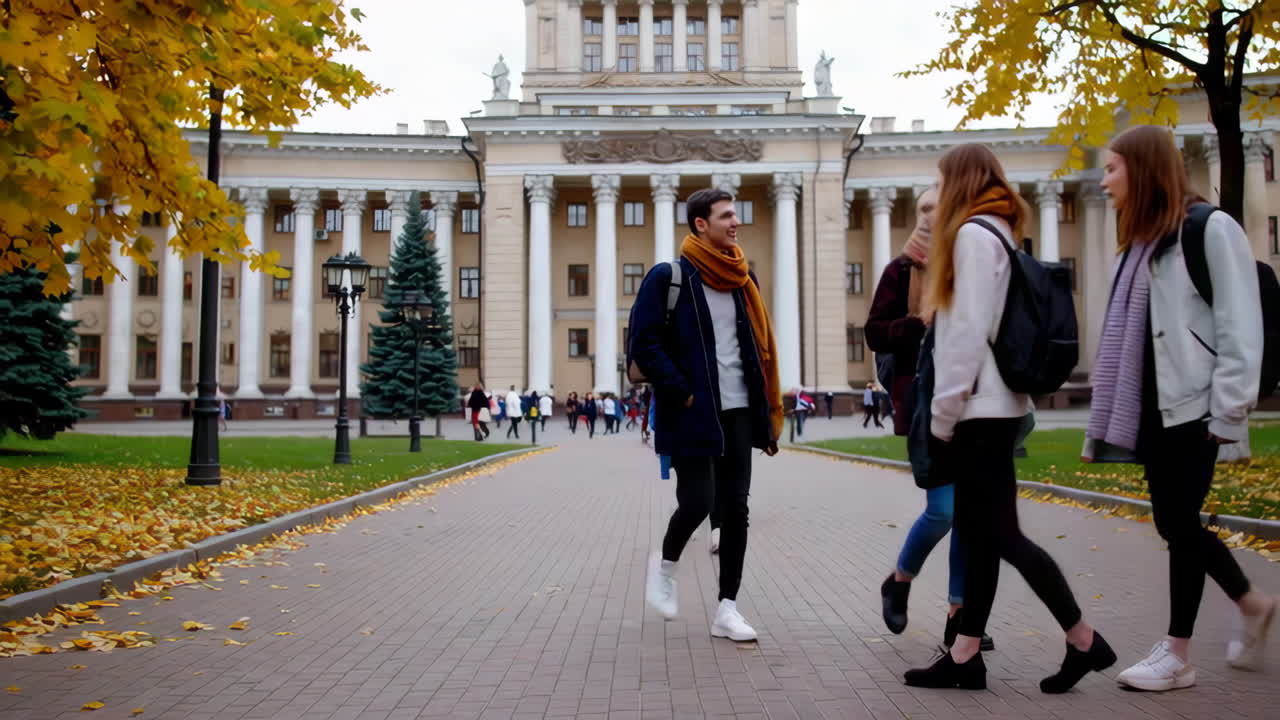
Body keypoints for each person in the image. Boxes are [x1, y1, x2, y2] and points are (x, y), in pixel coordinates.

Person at [903, 143, 1112, 693]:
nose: (940, 191)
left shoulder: (973, 236)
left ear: (961, 181)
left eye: (944, 180)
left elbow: (966, 332)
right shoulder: (997, 230)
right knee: (979, 532)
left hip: (977, 409)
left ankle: (1083, 638)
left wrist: (944, 414)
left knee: (1002, 535)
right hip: (995, 405)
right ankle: (966, 655)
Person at [1084, 125, 1274, 692]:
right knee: (1174, 521)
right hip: (1154, 408)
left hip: (1196, 409)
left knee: (1180, 522)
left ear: (1141, 170)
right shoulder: (1143, 242)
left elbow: (1242, 327)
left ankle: (1177, 653)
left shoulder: (1209, 228)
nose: (1104, 179)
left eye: (1113, 168)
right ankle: (1251, 601)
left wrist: (1228, 414)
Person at [633, 187, 783, 643]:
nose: (735, 223)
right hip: (693, 413)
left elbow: (756, 353)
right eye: (725, 217)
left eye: (735, 216)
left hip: (739, 412)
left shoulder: (744, 281)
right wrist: (685, 391)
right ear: (701, 224)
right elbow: (643, 344)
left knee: (735, 510)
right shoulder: (669, 277)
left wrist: (765, 416)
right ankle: (664, 568)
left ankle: (727, 609)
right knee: (698, 502)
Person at [868, 186, 992, 651]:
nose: (930, 216)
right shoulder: (901, 270)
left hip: (976, 403)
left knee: (970, 517)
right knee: (944, 510)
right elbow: (875, 333)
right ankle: (899, 579)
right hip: (924, 406)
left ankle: (959, 614)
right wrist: (920, 323)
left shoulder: (973, 264)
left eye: (938, 208)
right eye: (924, 209)